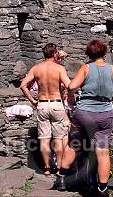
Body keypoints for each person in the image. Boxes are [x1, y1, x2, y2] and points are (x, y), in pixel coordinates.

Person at [55, 39, 113, 195]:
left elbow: (71, 86)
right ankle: (102, 189)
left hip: (84, 112)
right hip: (104, 113)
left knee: (74, 145)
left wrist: (71, 96)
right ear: (104, 53)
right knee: (103, 151)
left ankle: (62, 178)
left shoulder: (86, 68)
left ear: (88, 53)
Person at [19, 43, 71, 176]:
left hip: (42, 103)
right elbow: (69, 85)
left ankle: (47, 168)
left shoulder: (36, 68)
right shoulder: (59, 68)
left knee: (44, 138)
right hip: (56, 103)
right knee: (59, 138)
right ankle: (59, 167)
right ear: (54, 53)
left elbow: (23, 85)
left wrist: (32, 100)